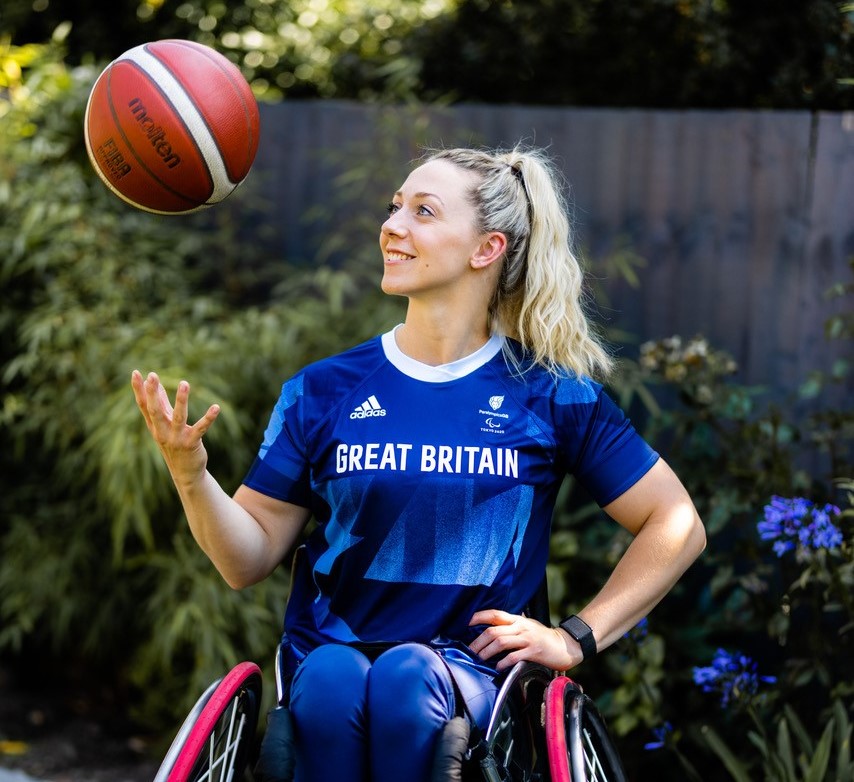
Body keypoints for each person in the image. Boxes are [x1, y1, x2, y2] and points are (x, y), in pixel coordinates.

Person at [131, 144, 706, 782]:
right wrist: (190, 475)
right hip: (328, 666)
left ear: (486, 249)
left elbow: (675, 520)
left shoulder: (551, 395)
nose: (393, 225)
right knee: (327, 676)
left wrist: (575, 636)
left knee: (406, 678)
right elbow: (247, 559)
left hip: (478, 690)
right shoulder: (322, 390)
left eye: (423, 212)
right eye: (395, 206)